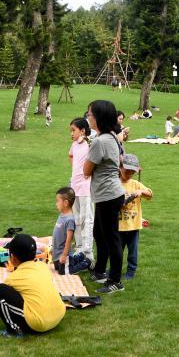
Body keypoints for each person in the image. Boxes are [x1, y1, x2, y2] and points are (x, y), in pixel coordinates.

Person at [83, 99, 127, 294]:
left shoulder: (100, 141)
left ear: (99, 117)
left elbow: (86, 171)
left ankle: (115, 280)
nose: (88, 117)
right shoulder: (111, 136)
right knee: (99, 234)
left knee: (111, 238)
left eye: (90, 114)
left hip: (108, 195)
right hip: (108, 194)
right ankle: (100, 270)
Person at [0, 233, 65, 338]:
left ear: (13, 257)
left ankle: (13, 330)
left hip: (39, 324)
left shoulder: (15, 277)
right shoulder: (43, 266)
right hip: (58, 315)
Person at [118, 154, 152, 281]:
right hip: (119, 226)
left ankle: (131, 271)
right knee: (117, 251)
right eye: (127, 171)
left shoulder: (136, 184)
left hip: (133, 226)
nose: (129, 175)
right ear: (120, 168)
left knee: (133, 251)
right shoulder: (115, 184)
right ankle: (116, 269)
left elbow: (150, 194)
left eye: (132, 173)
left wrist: (141, 192)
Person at [68, 117, 94, 261]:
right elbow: (70, 155)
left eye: (73, 130)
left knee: (86, 219)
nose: (71, 133)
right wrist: (75, 169)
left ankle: (88, 252)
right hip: (74, 186)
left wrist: (86, 173)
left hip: (85, 187)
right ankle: (79, 249)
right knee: (76, 218)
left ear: (82, 130)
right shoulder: (74, 145)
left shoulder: (89, 144)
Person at [53, 187, 90, 275]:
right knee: (57, 267)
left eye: (57, 201)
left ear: (65, 203)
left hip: (63, 255)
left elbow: (69, 240)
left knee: (63, 272)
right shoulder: (62, 215)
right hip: (57, 255)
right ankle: (79, 257)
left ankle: (86, 263)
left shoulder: (69, 220)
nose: (56, 204)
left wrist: (64, 255)